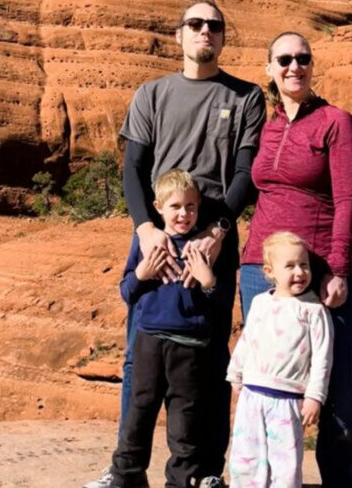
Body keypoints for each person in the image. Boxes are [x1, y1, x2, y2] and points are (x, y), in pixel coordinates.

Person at [84, 0, 266, 488]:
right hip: (157, 231)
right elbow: (133, 170)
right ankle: (126, 470)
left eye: (214, 25)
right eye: (195, 24)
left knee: (208, 357)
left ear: (223, 38)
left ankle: (203, 472)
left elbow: (247, 172)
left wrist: (218, 229)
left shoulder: (246, 97)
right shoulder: (152, 94)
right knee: (139, 353)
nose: (205, 31)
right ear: (179, 35)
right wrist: (145, 228)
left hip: (213, 236)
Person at [238, 32, 352, 487]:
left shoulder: (335, 121)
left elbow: (347, 199)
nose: (295, 67)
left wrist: (339, 269)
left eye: (303, 59)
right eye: (284, 59)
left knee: (332, 388)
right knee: (262, 385)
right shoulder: (264, 125)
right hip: (258, 269)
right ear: (269, 67)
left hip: (316, 272)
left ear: (312, 66)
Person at [110, 169, 226, 488]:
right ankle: (126, 475)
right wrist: (143, 273)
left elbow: (219, 300)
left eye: (190, 206)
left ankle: (182, 480)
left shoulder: (205, 246)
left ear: (199, 206)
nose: (184, 214)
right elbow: (126, 292)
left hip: (190, 346)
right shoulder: (145, 242)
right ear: (158, 206)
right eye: (175, 206)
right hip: (149, 339)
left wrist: (208, 281)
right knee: (139, 411)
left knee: (184, 420)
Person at [226, 231, 334, 487]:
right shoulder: (261, 303)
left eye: (303, 265)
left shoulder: (314, 311)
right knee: (245, 460)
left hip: (288, 401)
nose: (299, 272)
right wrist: (235, 373)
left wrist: (314, 397)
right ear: (269, 271)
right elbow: (248, 339)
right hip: (252, 396)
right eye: (290, 266)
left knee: (286, 467)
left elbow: (322, 358)